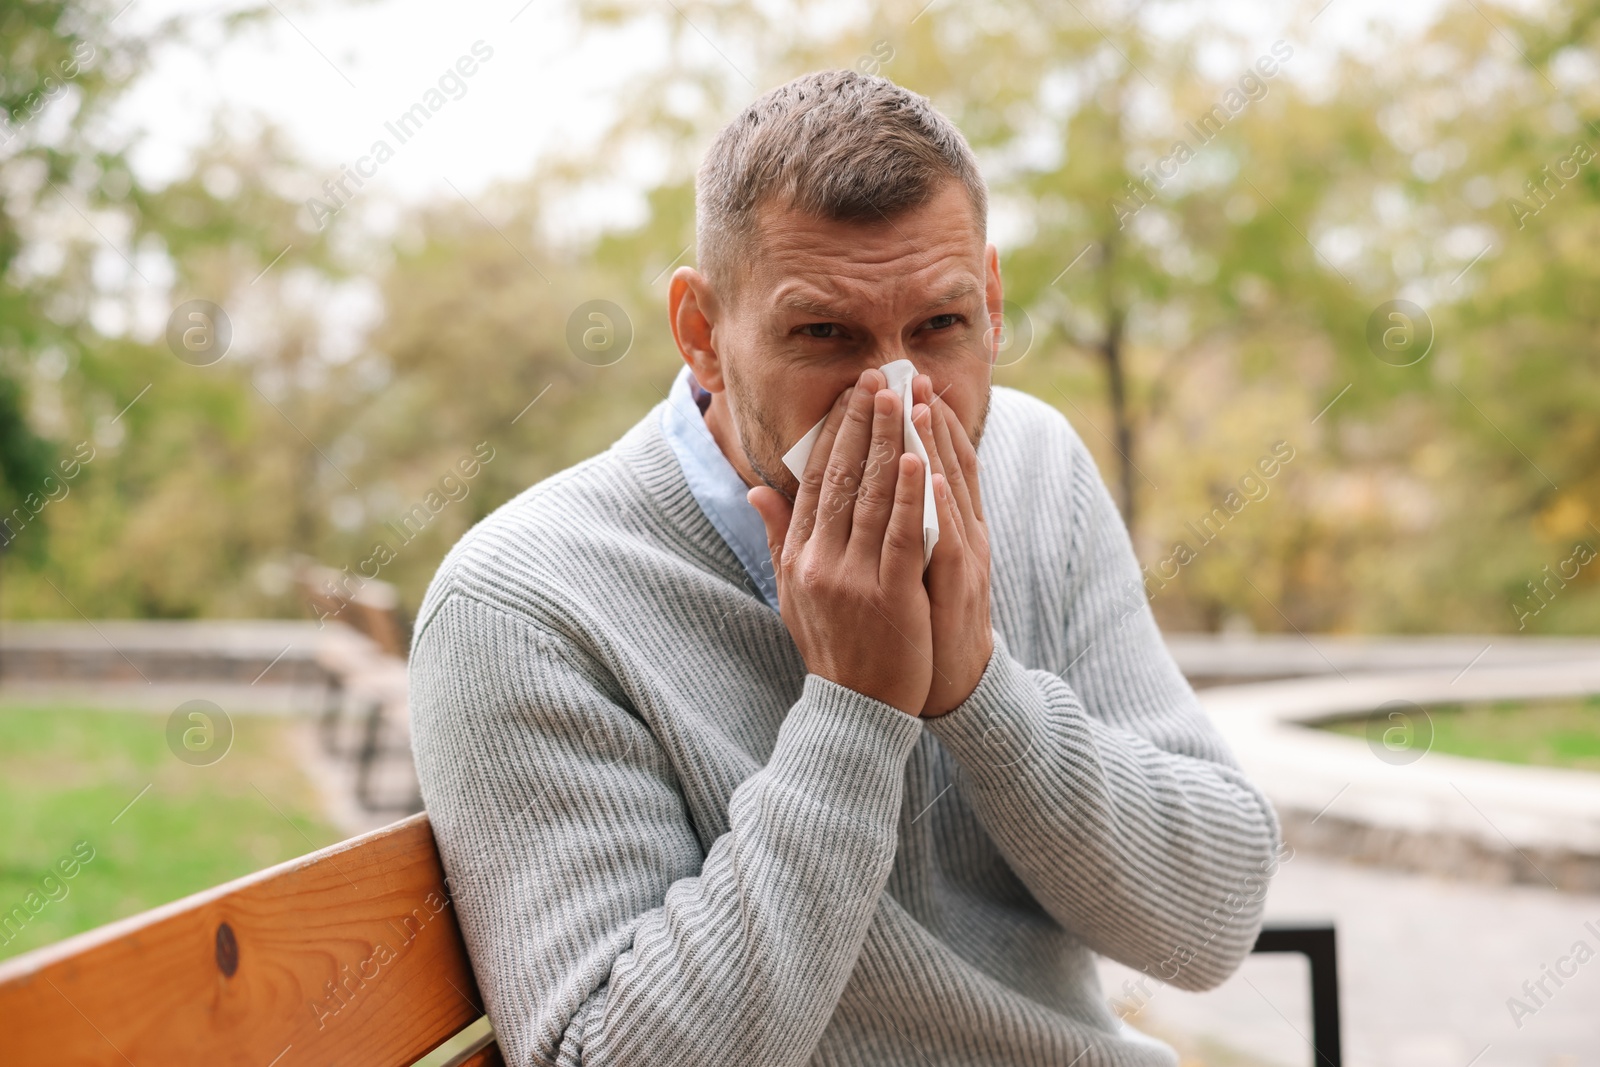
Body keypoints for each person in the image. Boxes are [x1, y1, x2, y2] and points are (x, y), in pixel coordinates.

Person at [408, 68, 1282, 1067]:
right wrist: (856, 705)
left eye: (940, 327)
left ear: (991, 301)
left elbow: (1212, 921)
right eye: (824, 333)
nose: (898, 394)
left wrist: (978, 692)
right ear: (701, 332)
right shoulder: (526, 601)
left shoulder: (1035, 465)